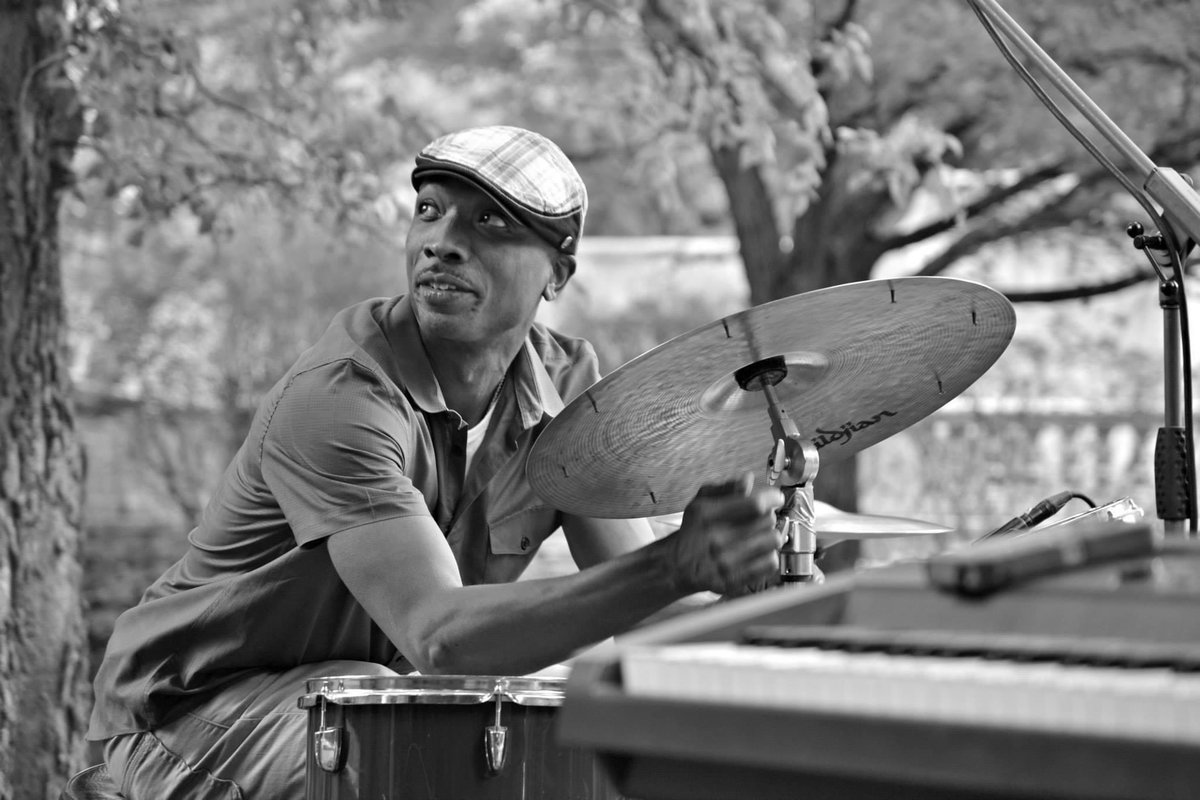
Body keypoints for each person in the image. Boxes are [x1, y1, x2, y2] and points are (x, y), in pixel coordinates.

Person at [86, 124, 784, 799]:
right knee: (401, 734)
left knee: (571, 730)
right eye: (429, 212)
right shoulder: (341, 398)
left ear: (558, 273)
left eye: (491, 224)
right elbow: (440, 638)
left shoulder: (567, 391)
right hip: (185, 716)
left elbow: (642, 611)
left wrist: (746, 580)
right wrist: (672, 565)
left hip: (361, 695)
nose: (442, 244)